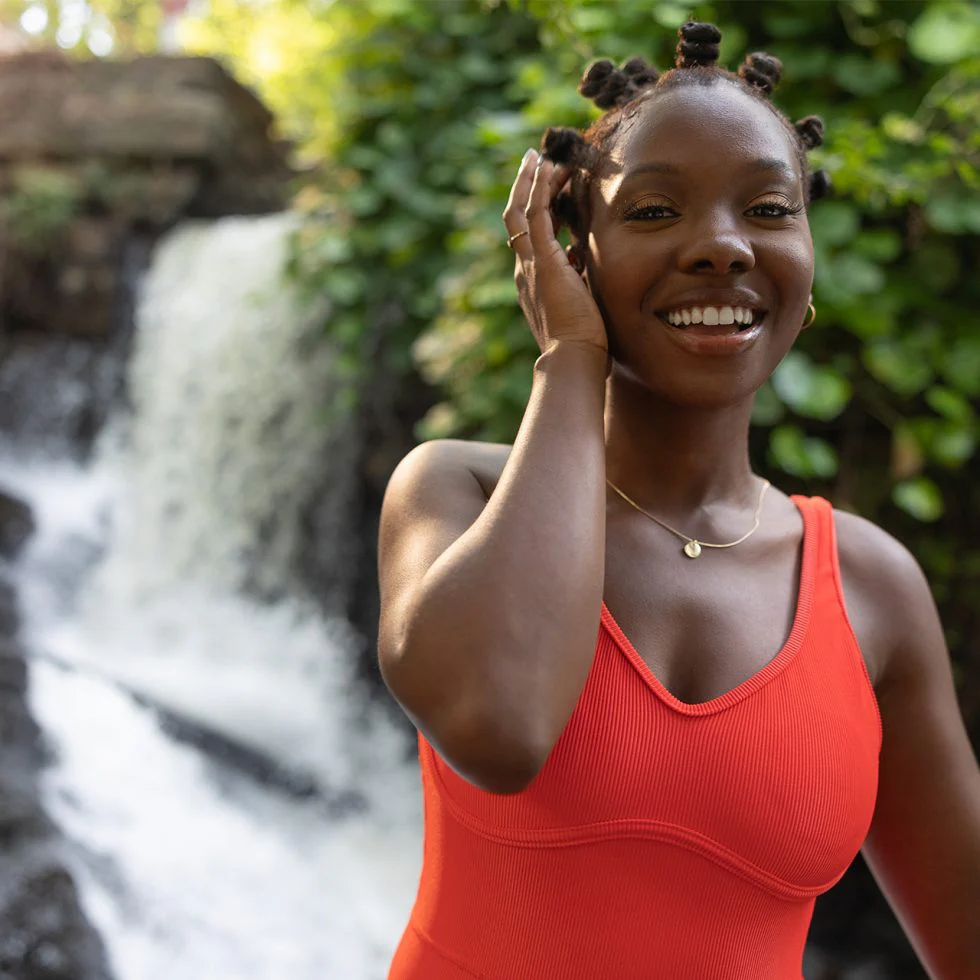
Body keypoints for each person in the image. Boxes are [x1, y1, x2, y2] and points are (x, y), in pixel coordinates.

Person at [376, 21, 980, 980]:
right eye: (655, 212)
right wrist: (569, 359)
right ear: (575, 256)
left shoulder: (871, 587)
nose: (722, 249)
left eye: (769, 209)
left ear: (808, 259)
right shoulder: (458, 491)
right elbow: (500, 726)